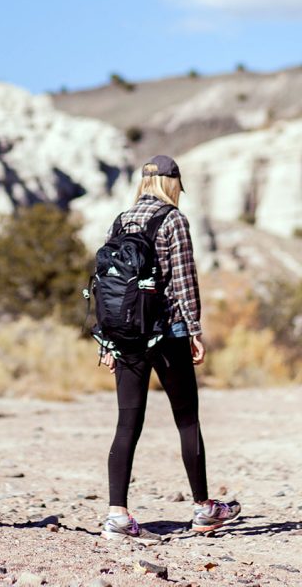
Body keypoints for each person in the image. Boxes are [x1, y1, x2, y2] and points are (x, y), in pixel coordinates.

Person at [99, 155, 241, 543]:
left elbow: (108, 287)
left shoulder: (121, 220)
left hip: (126, 337)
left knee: (127, 422)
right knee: (187, 419)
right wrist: (194, 330)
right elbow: (184, 281)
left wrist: (107, 341)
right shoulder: (173, 220)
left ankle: (117, 516)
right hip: (166, 335)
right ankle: (203, 509)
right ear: (172, 183)